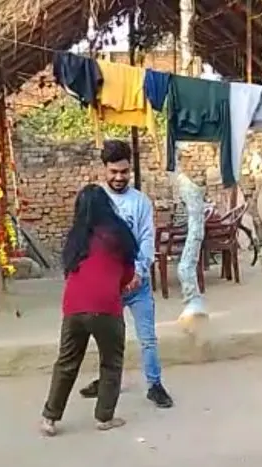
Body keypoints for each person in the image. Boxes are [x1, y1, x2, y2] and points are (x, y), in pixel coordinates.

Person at [80, 140, 173, 409]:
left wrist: (140, 272)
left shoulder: (141, 202)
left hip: (138, 283)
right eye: (113, 172)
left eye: (124, 172)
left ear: (130, 170)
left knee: (147, 338)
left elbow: (146, 238)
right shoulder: (96, 201)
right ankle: (106, 382)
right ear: (104, 170)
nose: (119, 177)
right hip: (108, 285)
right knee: (107, 338)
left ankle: (154, 385)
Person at [41, 184, 139, 436]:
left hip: (73, 306)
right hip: (106, 306)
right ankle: (104, 417)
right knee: (111, 362)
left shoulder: (76, 237)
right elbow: (127, 273)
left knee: (66, 362)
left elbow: (69, 271)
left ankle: (49, 418)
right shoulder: (118, 234)